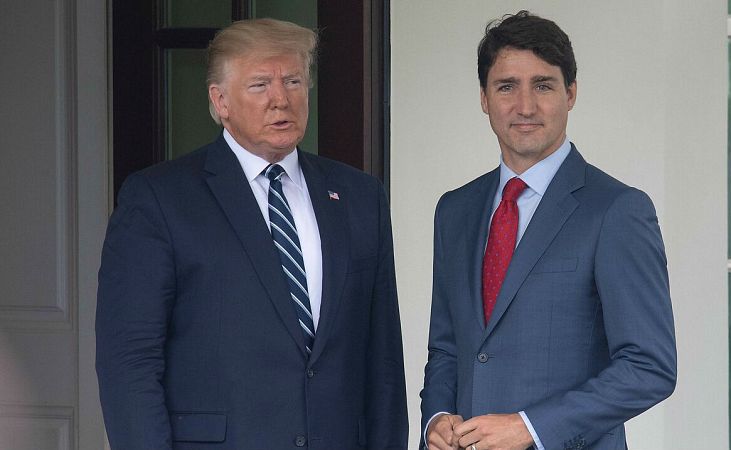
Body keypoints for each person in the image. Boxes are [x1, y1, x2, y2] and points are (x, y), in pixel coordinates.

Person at [96, 17, 408, 450]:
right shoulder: (159, 198)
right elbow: (129, 361)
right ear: (220, 101)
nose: (281, 99)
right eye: (260, 84)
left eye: (294, 80)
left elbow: (384, 360)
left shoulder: (359, 195)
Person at [420, 11, 676, 450]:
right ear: (484, 98)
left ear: (571, 93)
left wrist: (531, 427)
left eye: (543, 85)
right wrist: (437, 418)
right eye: (506, 87)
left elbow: (649, 367)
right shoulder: (455, 210)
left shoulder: (617, 210)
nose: (525, 106)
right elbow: (448, 348)